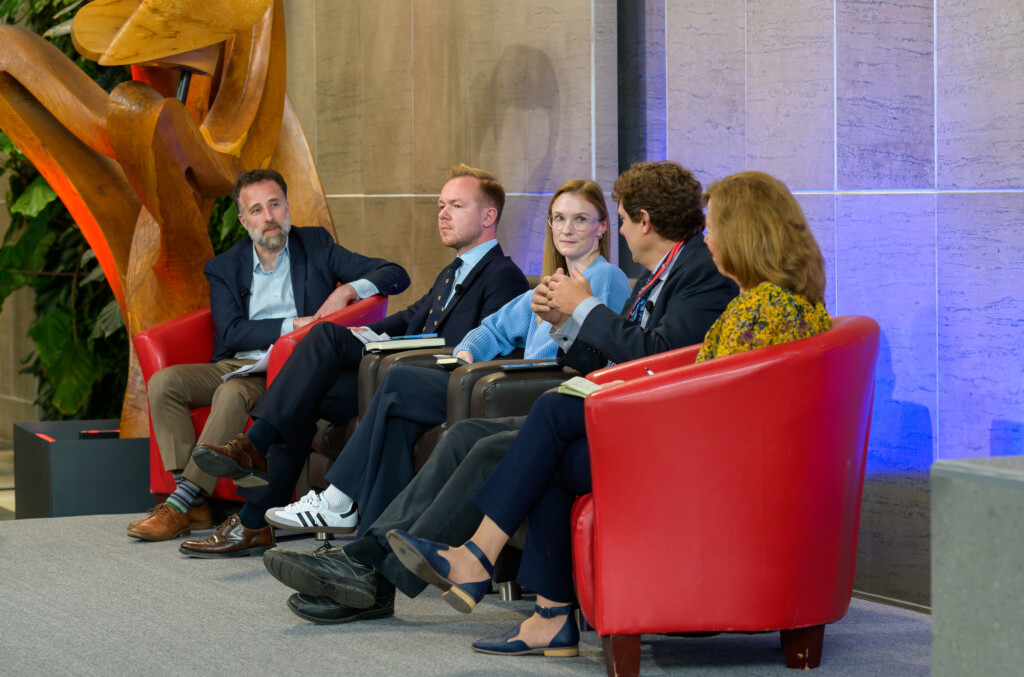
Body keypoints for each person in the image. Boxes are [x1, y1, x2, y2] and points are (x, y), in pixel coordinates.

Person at [261, 160, 737, 624]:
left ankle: (369, 573)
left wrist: (585, 309)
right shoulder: (656, 275)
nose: (623, 232)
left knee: (491, 446)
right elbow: (613, 358)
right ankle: (367, 565)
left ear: (643, 221)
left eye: (621, 219)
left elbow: (658, 357)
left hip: (633, 424)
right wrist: (567, 325)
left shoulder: (698, 272)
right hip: (603, 407)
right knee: (465, 435)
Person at [387, 169, 833, 657]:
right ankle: (545, 613)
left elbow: (711, 394)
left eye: (715, 228)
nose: (707, 238)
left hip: (704, 457)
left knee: (554, 412)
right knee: (551, 442)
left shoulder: (760, 308)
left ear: (743, 235)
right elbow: (692, 374)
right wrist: (574, 330)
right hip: (690, 435)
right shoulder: (768, 302)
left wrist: (588, 315)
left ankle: (483, 563)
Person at [179, 163, 529, 558]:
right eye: (440, 206)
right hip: (398, 367)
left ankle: (255, 453)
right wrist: (365, 333)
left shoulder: (503, 276)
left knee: (324, 335)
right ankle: (253, 520)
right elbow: (409, 317)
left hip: (426, 380)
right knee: (305, 390)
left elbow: (479, 348)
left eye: (456, 206)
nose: (443, 215)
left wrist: (362, 333)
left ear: (488, 216)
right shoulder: (453, 272)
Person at [259, 179, 632, 536]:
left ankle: (339, 500)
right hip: (510, 384)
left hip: (542, 392)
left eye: (580, 219)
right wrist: (468, 350)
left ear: (602, 227)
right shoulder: (553, 281)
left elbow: (598, 354)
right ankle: (374, 536)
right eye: (559, 218)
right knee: (398, 412)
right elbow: (494, 328)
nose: (566, 228)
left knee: (399, 380)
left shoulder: (606, 278)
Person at [126, 169, 410, 541]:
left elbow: (395, 274)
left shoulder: (316, 245)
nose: (269, 217)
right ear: (244, 220)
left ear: (287, 206)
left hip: (288, 367)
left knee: (233, 393)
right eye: (257, 210)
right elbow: (231, 331)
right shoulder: (225, 266)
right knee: (165, 382)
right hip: (237, 361)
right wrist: (294, 323)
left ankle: (180, 504)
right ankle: (192, 498)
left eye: (275, 205)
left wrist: (347, 291)